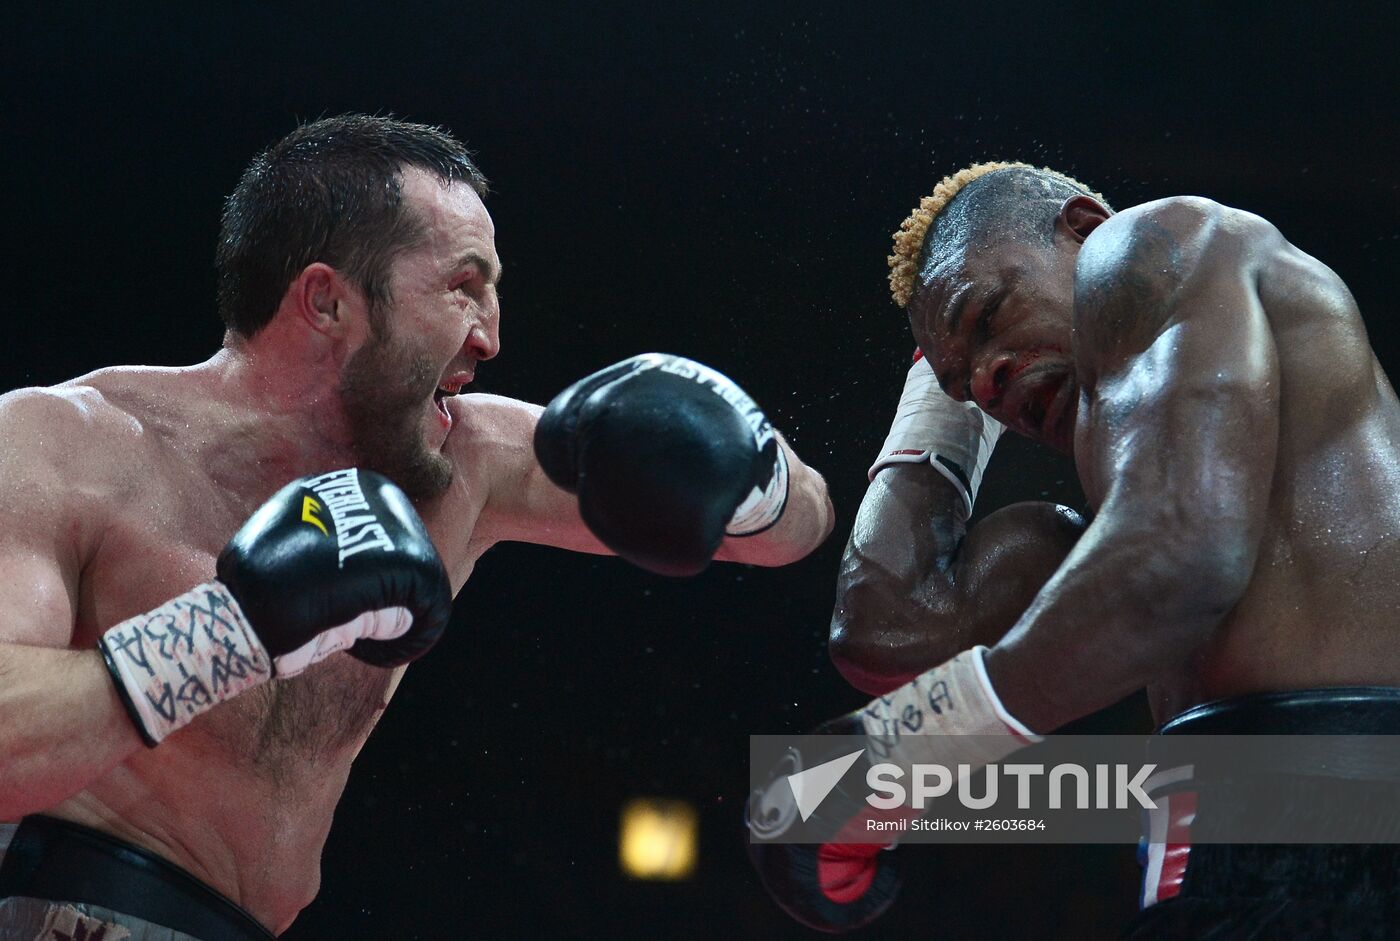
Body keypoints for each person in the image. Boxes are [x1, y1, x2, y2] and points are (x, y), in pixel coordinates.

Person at [0, 114, 835, 940]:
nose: (494, 334)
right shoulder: (69, 444)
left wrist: (748, 468)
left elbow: (789, 534)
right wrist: (232, 629)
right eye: (463, 286)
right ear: (326, 301)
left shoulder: (462, 463)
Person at [748, 161, 1400, 937]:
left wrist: (909, 750)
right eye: (968, 387)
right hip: (1229, 858)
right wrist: (942, 398)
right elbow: (882, 632)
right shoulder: (1110, 540)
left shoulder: (1158, 240)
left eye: (990, 311)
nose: (989, 379)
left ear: (1083, 225)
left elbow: (1180, 561)